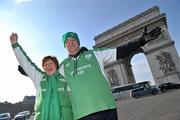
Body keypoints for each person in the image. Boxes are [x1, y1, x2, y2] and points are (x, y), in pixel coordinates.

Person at [59, 26, 161, 120]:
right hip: (82, 113)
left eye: (73, 40)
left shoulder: (95, 54)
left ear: (78, 42)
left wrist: (140, 42)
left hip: (107, 109)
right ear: (64, 46)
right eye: (67, 42)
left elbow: (119, 51)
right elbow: (49, 82)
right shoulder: (62, 66)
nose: (71, 43)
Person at [10, 33, 73, 120]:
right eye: (45, 65)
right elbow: (26, 62)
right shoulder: (39, 78)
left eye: (51, 63)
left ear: (56, 65)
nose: (48, 66)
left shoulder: (64, 76)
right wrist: (15, 44)